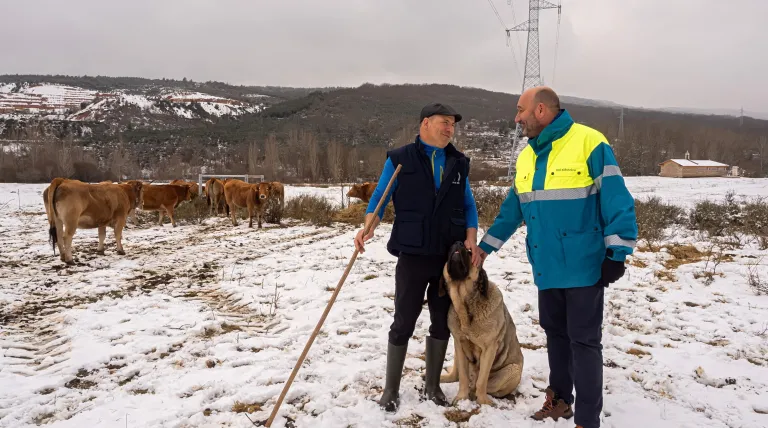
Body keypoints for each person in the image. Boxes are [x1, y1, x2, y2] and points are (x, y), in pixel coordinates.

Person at [474, 87, 637, 428]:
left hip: (583, 265)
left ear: (541, 110)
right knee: (555, 335)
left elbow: (616, 199)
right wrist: (484, 247)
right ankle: (561, 399)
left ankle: (588, 419)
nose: (516, 117)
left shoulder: (589, 142)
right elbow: (513, 210)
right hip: (546, 265)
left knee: (584, 341)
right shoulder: (527, 156)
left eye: (521, 110)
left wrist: (618, 252)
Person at [354, 102, 479, 412]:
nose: (450, 128)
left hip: (448, 258)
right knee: (403, 321)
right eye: (444, 122)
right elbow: (381, 196)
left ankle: (433, 384)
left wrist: (471, 239)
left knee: (442, 322)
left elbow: (468, 205)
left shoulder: (459, 162)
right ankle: (391, 390)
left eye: (452, 123)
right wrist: (367, 227)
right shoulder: (400, 159)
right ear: (425, 123)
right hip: (412, 253)